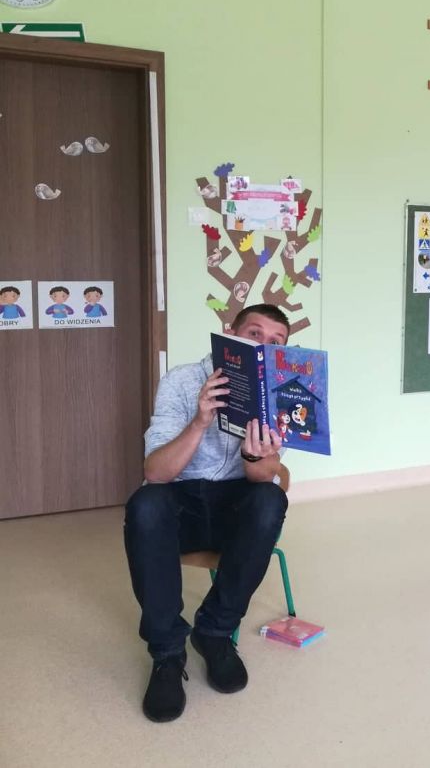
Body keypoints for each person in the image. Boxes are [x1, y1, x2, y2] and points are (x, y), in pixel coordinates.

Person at [124, 304, 292, 723]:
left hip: (234, 506)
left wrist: (255, 456)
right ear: (229, 334)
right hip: (180, 503)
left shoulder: (277, 390)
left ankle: (214, 632)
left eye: (276, 343)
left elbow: (265, 478)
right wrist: (200, 422)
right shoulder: (181, 380)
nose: (263, 346)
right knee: (145, 503)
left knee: (270, 500)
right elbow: (155, 472)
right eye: (254, 334)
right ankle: (167, 653)